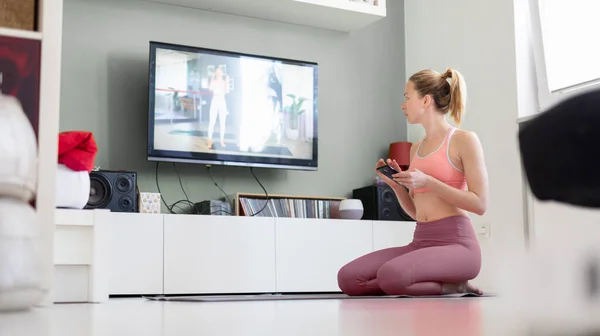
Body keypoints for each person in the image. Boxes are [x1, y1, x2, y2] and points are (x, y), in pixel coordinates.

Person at [337, 68, 488, 296]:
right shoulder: (416, 148)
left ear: (426, 100)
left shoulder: (464, 140)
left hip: (458, 245)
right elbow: (418, 213)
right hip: (421, 242)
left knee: (392, 274)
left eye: (407, 97)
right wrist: (397, 186)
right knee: (349, 278)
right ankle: (447, 285)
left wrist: (429, 181)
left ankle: (456, 284)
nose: (403, 105)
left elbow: (480, 204)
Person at [207, 66, 230, 149]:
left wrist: (227, 82)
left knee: (222, 123)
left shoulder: (224, 82)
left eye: (219, 72)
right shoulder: (213, 80)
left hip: (222, 101)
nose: (218, 74)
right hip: (215, 101)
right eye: (217, 72)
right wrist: (212, 79)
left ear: (222, 73)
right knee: (212, 122)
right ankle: (209, 141)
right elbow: (210, 88)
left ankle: (221, 140)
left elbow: (227, 91)